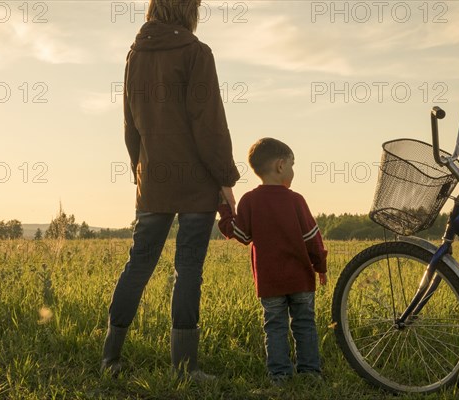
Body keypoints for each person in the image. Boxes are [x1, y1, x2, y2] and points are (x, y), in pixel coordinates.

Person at [101, 0, 240, 381]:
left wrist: (139, 170)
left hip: (153, 178)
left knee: (139, 263)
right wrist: (225, 178)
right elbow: (208, 122)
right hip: (195, 179)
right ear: (188, 10)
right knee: (188, 268)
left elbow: (129, 123)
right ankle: (184, 367)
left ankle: (109, 358)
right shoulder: (197, 53)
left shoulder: (134, 55)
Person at [218, 138, 328, 384]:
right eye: (292, 164)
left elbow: (241, 235)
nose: (292, 170)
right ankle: (310, 373)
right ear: (280, 166)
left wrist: (225, 210)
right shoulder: (296, 200)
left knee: (275, 327)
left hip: (270, 282)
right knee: (304, 325)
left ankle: (279, 376)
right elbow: (312, 238)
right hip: (300, 278)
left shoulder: (249, 201)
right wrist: (320, 266)